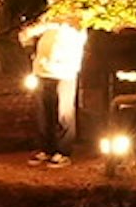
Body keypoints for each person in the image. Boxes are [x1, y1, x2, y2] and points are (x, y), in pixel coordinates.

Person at [22, 9, 89, 165]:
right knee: (43, 112)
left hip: (64, 71)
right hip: (42, 70)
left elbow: (67, 25)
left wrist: (47, 24)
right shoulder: (48, 15)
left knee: (63, 113)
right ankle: (46, 149)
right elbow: (29, 32)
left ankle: (63, 152)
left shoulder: (77, 16)